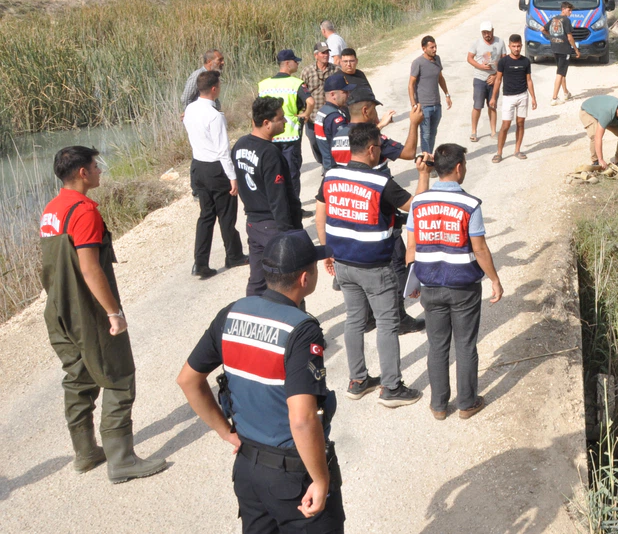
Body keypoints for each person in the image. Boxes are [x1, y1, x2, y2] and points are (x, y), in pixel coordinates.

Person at [176, 230, 344, 532]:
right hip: (294, 476)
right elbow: (303, 418)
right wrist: (320, 479)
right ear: (305, 278)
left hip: (248, 472)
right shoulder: (302, 330)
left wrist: (225, 431)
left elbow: (188, 380)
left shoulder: (231, 314)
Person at [40, 145, 170, 483]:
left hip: (57, 310)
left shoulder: (52, 210)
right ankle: (122, 460)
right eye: (96, 166)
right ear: (83, 173)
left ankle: (85, 453)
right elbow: (89, 269)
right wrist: (113, 312)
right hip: (88, 312)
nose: (100, 171)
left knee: (78, 378)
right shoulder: (84, 211)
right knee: (118, 377)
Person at [315, 123, 430, 407]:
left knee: (354, 320)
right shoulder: (381, 183)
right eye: (379, 148)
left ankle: (358, 380)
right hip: (375, 267)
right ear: (371, 149)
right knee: (388, 324)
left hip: (343, 263)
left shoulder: (331, 175)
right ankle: (391, 387)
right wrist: (423, 174)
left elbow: (321, 213)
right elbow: (416, 207)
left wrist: (326, 251)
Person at [407, 143, 502, 420]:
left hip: (430, 286)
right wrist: (495, 279)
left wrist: (413, 281)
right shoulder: (469, 204)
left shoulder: (418, 203)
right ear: (459, 168)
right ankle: (467, 403)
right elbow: (480, 249)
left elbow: (411, 246)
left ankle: (438, 405)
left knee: (437, 345)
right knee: (465, 345)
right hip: (463, 288)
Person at [345, 86, 426, 334]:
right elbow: (410, 153)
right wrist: (414, 124)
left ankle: (367, 317)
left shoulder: (340, 134)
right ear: (366, 110)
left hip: (348, 209)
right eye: (375, 109)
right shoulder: (374, 142)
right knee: (397, 262)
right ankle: (397, 317)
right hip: (380, 210)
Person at [234, 97, 304, 298]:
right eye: (281, 118)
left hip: (253, 224)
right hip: (272, 225)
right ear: (266, 123)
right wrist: (287, 236)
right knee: (290, 282)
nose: (284, 122)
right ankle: (295, 324)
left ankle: (250, 319)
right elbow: (278, 198)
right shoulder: (270, 153)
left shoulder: (240, 145)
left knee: (257, 281)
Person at [184, 70, 247, 278]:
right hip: (215, 168)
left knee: (206, 216)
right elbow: (222, 150)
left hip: (198, 166)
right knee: (227, 215)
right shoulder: (214, 116)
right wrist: (232, 177)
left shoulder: (190, 110)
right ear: (213, 89)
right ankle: (234, 255)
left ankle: (200, 262)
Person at [259, 49, 308, 211]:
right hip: (290, 136)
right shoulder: (295, 83)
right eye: (295, 61)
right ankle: (294, 208)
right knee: (292, 173)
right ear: (287, 64)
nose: (298, 63)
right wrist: (304, 115)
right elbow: (311, 102)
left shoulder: (264, 84)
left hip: (270, 136)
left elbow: (258, 109)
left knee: (273, 174)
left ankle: (275, 207)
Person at [490, 34, 537, 163]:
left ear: (521, 46)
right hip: (508, 97)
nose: (516, 49)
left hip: (522, 96)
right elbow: (498, 80)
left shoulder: (526, 61)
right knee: (505, 125)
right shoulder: (503, 62)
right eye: (514, 46)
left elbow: (529, 80)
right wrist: (493, 97)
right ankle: (499, 152)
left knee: (521, 123)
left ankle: (517, 150)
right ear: (509, 46)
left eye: (518, 46)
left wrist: (533, 98)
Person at [408, 35, 452, 156]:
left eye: (435, 46)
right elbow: (411, 84)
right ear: (424, 48)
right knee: (425, 134)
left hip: (436, 105)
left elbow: (440, 78)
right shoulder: (418, 63)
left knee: (432, 133)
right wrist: (414, 104)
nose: (434, 49)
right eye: (431, 47)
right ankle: (426, 160)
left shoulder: (437, 59)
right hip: (424, 106)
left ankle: (429, 156)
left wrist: (447, 94)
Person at [466, 21, 505, 142]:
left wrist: (496, 75)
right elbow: (469, 58)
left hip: (494, 79)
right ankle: (474, 131)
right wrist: (480, 66)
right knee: (477, 106)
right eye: (484, 32)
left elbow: (504, 61)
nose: (486, 34)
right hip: (479, 78)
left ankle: (493, 131)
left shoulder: (500, 42)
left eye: (488, 32)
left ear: (493, 30)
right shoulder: (477, 43)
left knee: (492, 105)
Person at [300, 42, 335, 164]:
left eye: (327, 52)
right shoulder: (307, 72)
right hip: (313, 117)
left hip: (331, 115)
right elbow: (300, 94)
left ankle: (329, 165)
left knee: (331, 141)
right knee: (314, 142)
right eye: (323, 52)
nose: (326, 55)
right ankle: (323, 162)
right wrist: (303, 113)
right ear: (316, 55)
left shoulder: (335, 70)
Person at [314, 73, 355, 172]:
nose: (348, 95)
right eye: (345, 92)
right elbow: (344, 145)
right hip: (337, 168)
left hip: (329, 164)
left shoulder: (323, 111)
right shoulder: (335, 117)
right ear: (333, 94)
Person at [543, 2, 580, 105]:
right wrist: (576, 49)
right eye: (569, 10)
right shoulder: (566, 20)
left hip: (554, 48)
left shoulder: (554, 18)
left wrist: (551, 37)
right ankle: (554, 98)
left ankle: (565, 92)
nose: (570, 12)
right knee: (560, 73)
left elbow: (542, 29)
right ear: (563, 9)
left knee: (561, 70)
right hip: (564, 49)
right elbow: (569, 37)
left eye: (571, 10)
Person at [579, 95, 618, 168]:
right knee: (594, 134)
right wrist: (601, 159)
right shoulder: (607, 113)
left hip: (604, 112)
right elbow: (598, 137)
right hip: (588, 112)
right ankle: (596, 162)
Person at [180, 49, 224, 116]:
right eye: (219, 60)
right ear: (209, 61)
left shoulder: (213, 75)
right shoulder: (197, 75)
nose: (223, 62)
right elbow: (185, 98)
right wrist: (190, 115)